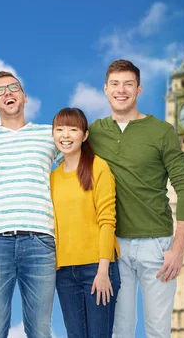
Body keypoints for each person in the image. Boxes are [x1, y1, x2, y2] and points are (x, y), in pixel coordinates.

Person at [88, 59, 184, 338]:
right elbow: (62, 142)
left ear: (139, 89)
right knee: (119, 330)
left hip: (157, 247)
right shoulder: (94, 132)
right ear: (105, 89)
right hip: (114, 247)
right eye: (115, 84)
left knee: (158, 331)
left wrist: (178, 248)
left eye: (128, 84)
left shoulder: (162, 131)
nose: (121, 90)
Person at [0, 71, 60, 338]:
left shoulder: (50, 135)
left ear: (25, 97)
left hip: (40, 241)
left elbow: (76, 162)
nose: (7, 93)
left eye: (13, 88)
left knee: (41, 330)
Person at [50, 107, 120, 338]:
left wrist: (103, 271)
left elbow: (107, 220)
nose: (66, 135)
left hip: (97, 268)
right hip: (65, 273)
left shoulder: (97, 167)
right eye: (59, 130)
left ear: (85, 135)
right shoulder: (53, 177)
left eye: (73, 129)